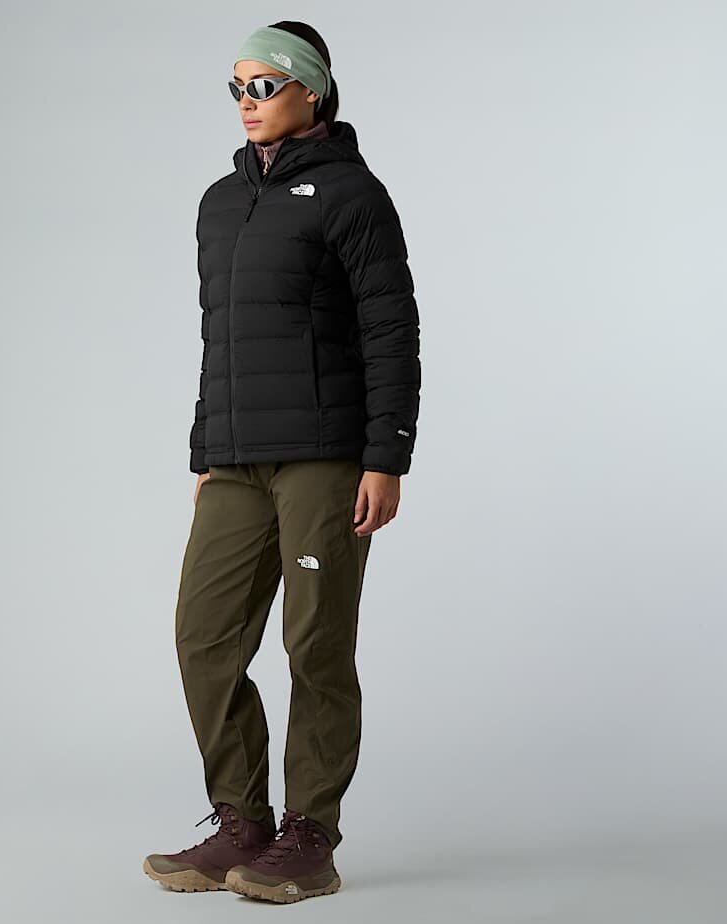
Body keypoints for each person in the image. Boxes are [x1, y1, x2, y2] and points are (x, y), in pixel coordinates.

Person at [143, 20, 421, 903]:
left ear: (312, 90)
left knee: (315, 642)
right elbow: (218, 341)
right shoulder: (219, 203)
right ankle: (241, 822)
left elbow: (391, 329)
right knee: (204, 637)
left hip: (325, 457)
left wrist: (386, 456)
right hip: (236, 459)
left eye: (264, 85)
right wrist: (207, 450)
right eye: (237, 87)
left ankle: (311, 836)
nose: (247, 101)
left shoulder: (352, 195)